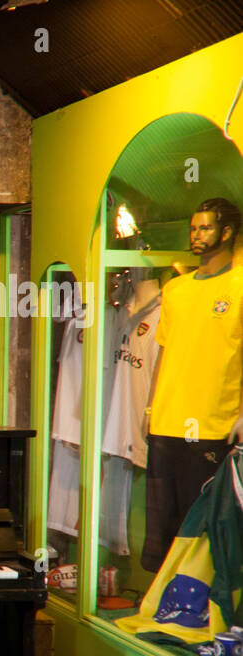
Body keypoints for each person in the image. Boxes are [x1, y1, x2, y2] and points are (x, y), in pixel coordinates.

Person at [142, 196, 243, 571]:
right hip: (167, 423)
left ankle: (203, 606)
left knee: (202, 521)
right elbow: (163, 353)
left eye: (205, 227)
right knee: (163, 522)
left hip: (212, 425)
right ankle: (163, 602)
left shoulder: (238, 285)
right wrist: (151, 406)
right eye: (193, 228)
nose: (196, 235)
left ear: (227, 232)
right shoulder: (176, 290)